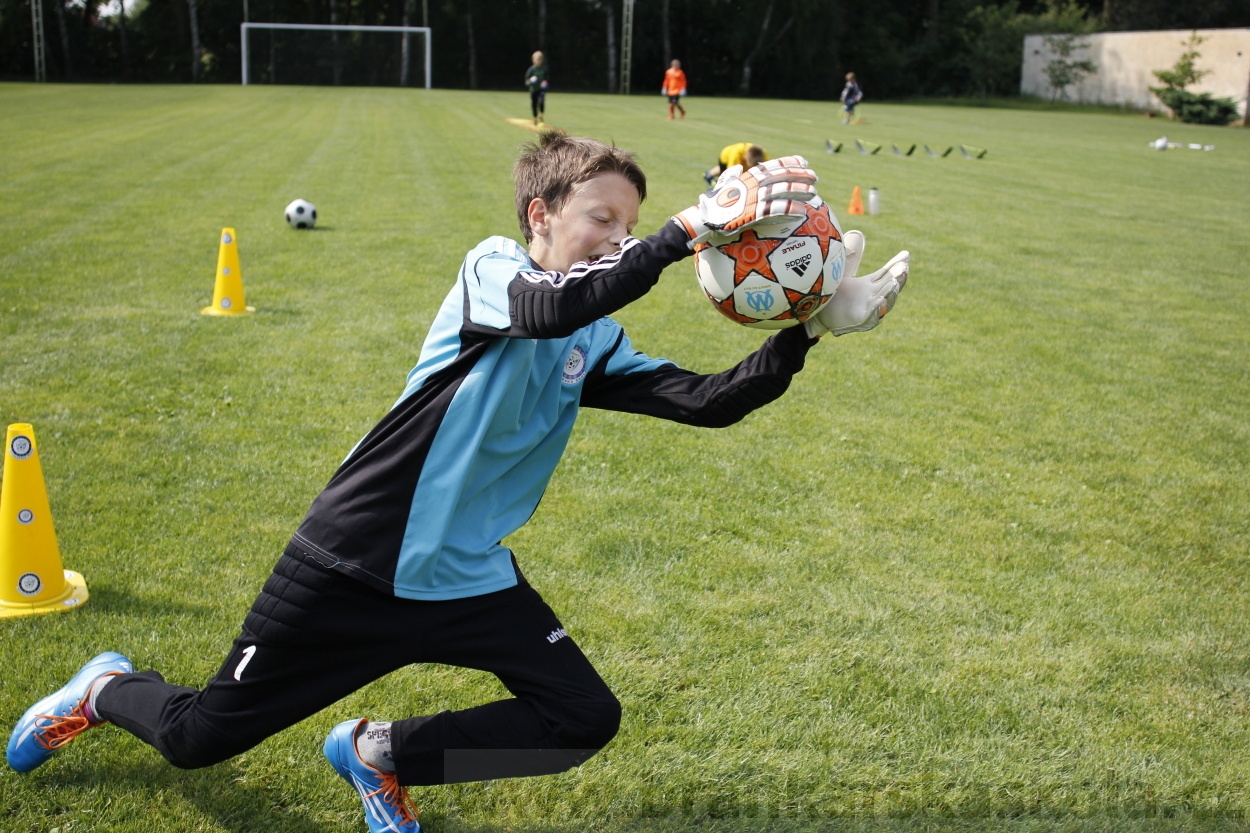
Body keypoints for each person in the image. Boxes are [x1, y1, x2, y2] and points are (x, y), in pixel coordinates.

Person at [6, 133, 908, 833]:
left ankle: (377, 753)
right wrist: (683, 232)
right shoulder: (495, 274)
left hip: (466, 578)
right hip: (353, 563)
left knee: (580, 719)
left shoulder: (592, 341)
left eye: (629, 225)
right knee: (197, 739)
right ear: (539, 215)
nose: (618, 238)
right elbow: (554, 306)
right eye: (601, 217)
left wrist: (810, 330)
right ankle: (102, 690)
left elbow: (707, 403)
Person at [704, 142, 768, 188]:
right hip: (726, 156)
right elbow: (731, 175)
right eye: (752, 164)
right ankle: (709, 176)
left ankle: (708, 174)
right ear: (746, 159)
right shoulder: (736, 155)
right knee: (724, 179)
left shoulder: (763, 155)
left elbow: (766, 170)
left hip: (741, 156)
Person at [525, 51, 549, 125]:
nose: (539, 61)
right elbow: (526, 81)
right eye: (538, 59)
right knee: (534, 104)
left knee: (541, 101)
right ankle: (535, 117)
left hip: (541, 90)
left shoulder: (544, 69)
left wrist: (545, 84)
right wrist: (530, 82)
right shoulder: (531, 70)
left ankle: (541, 115)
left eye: (541, 60)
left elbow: (547, 79)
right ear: (533, 60)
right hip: (533, 90)